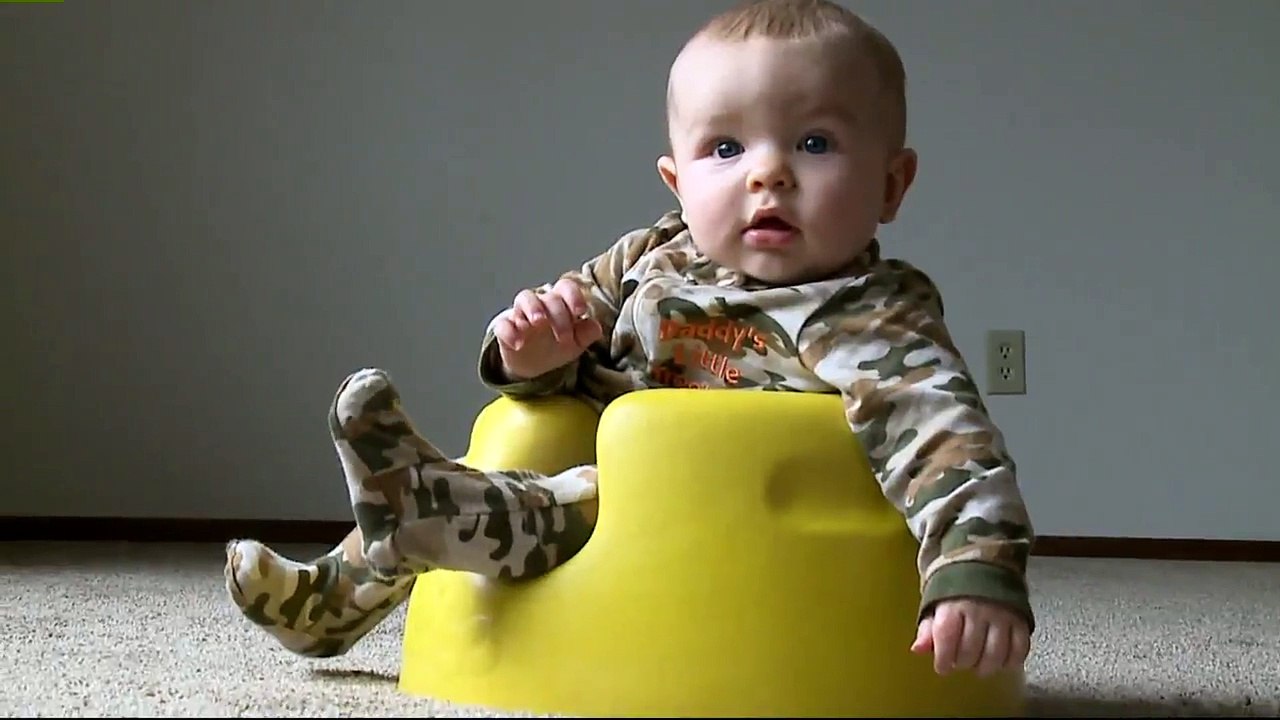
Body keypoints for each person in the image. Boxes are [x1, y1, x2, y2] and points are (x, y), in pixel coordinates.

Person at [224, 0, 1036, 679]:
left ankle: (423, 509)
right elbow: (559, 324)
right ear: (678, 184)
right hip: (611, 468)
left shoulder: (868, 314)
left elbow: (945, 437)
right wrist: (533, 356)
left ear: (891, 184)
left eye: (814, 143)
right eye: (726, 148)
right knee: (509, 448)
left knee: (575, 497)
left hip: (711, 532)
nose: (768, 174)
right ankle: (331, 602)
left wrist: (975, 569)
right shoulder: (653, 257)